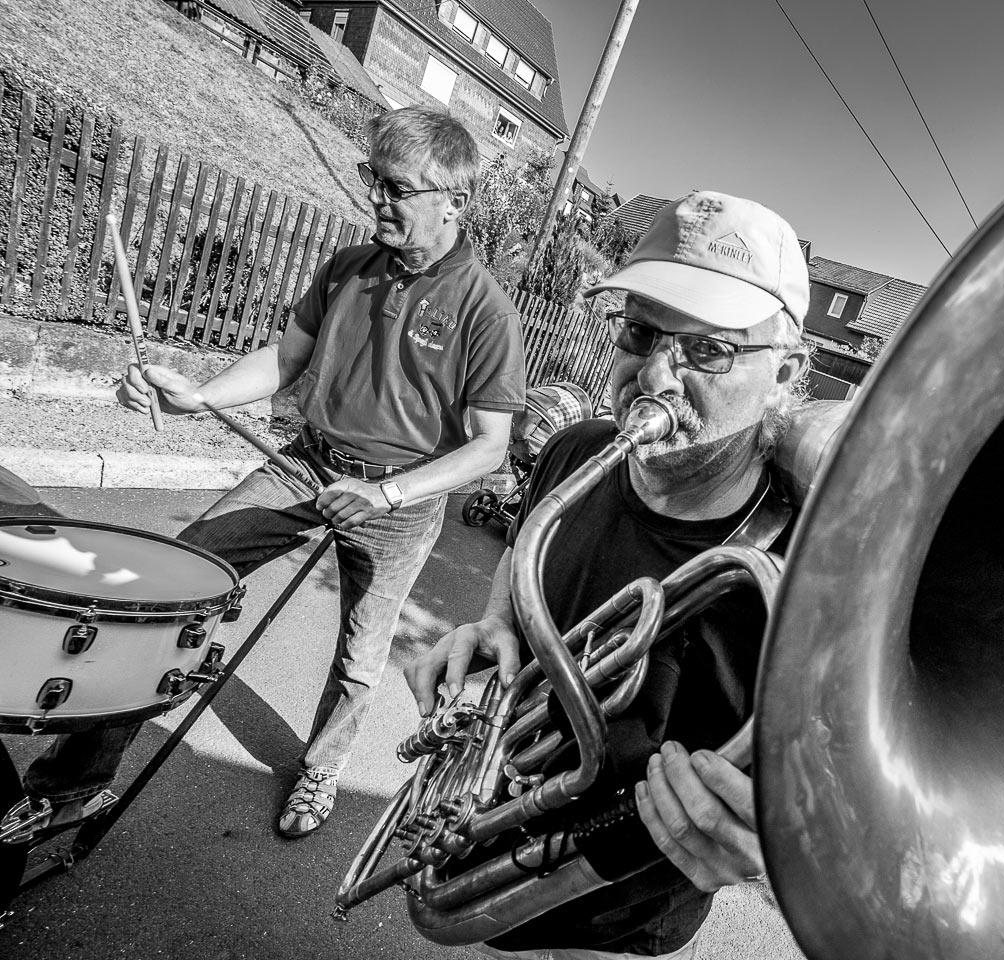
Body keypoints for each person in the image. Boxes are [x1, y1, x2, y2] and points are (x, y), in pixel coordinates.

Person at [23, 106, 526, 840]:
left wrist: (385, 492)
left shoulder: (486, 310)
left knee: (360, 655)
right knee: (173, 586)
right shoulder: (349, 268)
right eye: (373, 180)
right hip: (307, 463)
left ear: (454, 200)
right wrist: (198, 397)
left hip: (398, 501)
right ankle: (74, 782)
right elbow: (282, 361)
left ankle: (321, 767)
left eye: (396, 188)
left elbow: (488, 449)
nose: (376, 199)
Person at [404, 190, 811, 959]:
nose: (655, 373)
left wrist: (780, 842)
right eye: (641, 331)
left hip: (622, 909)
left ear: (784, 370)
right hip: (492, 845)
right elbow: (526, 546)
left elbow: (834, 778)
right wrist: (496, 623)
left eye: (707, 349)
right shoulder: (579, 447)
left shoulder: (807, 564)